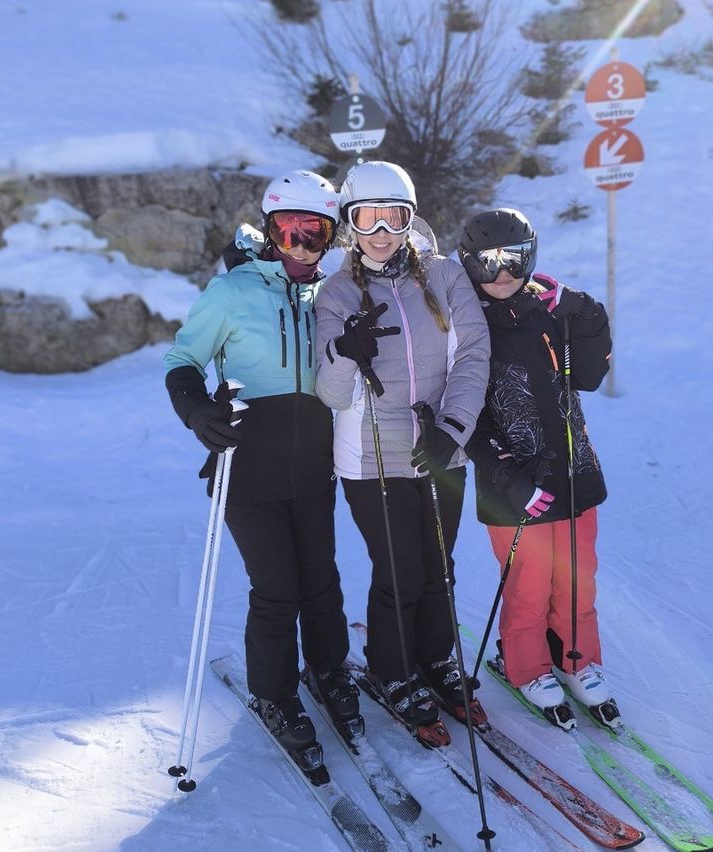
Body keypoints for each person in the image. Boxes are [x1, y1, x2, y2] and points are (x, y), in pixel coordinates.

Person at [164, 171, 359, 754]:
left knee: (321, 582)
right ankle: (274, 693)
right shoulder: (233, 292)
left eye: (315, 232)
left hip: (312, 463)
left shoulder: (330, 294)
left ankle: (330, 673)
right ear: (271, 231)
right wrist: (199, 413)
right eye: (288, 230)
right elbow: (182, 358)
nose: (301, 244)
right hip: (248, 466)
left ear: (331, 235)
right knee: (277, 588)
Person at [315, 160, 490, 739]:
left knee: (440, 565)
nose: (383, 232)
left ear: (410, 218)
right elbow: (331, 392)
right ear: (350, 225)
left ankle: (438, 657)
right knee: (400, 569)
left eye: (395, 217)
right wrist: (347, 350)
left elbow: (473, 354)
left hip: (442, 445)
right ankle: (394, 670)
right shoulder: (336, 292)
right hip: (372, 457)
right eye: (368, 219)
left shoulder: (442, 277)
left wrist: (452, 428)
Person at [458, 207, 615, 724]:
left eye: (514, 260)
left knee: (578, 580)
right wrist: (507, 477)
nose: (502, 274)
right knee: (528, 583)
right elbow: (463, 418)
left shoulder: (551, 314)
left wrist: (584, 309)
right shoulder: (465, 326)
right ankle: (527, 666)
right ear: (468, 264)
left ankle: (577, 660)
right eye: (487, 264)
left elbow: (589, 376)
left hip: (574, 473)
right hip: (515, 486)